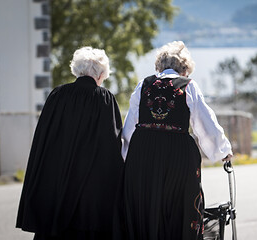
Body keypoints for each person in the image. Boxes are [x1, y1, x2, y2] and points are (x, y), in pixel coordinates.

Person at [121, 41, 232, 240]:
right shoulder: (188, 86)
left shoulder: (143, 85)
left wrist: (126, 157)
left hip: (143, 154)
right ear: (184, 69)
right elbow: (204, 124)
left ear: (159, 66)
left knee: (147, 207)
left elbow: (130, 127)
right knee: (179, 207)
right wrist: (222, 151)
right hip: (177, 155)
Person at [16, 47, 125, 239]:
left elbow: (43, 139)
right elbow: (112, 146)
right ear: (100, 74)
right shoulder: (105, 99)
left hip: (57, 185)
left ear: (77, 70)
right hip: (90, 196)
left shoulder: (57, 95)